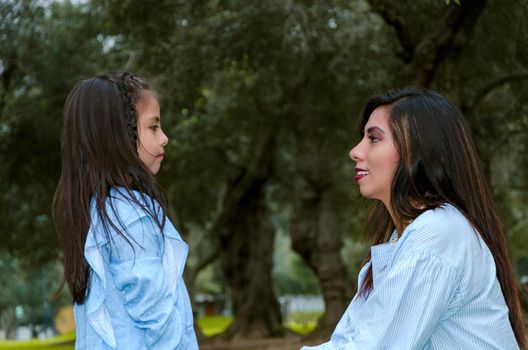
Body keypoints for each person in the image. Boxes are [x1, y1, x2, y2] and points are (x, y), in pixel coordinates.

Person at [302, 87, 525, 349]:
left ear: (417, 151)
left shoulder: (438, 233)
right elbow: (349, 340)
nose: (355, 151)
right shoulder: (406, 238)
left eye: (373, 139)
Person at [53, 72, 198, 349]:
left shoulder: (101, 213)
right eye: (153, 128)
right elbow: (158, 318)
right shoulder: (129, 217)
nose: (165, 138)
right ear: (120, 135)